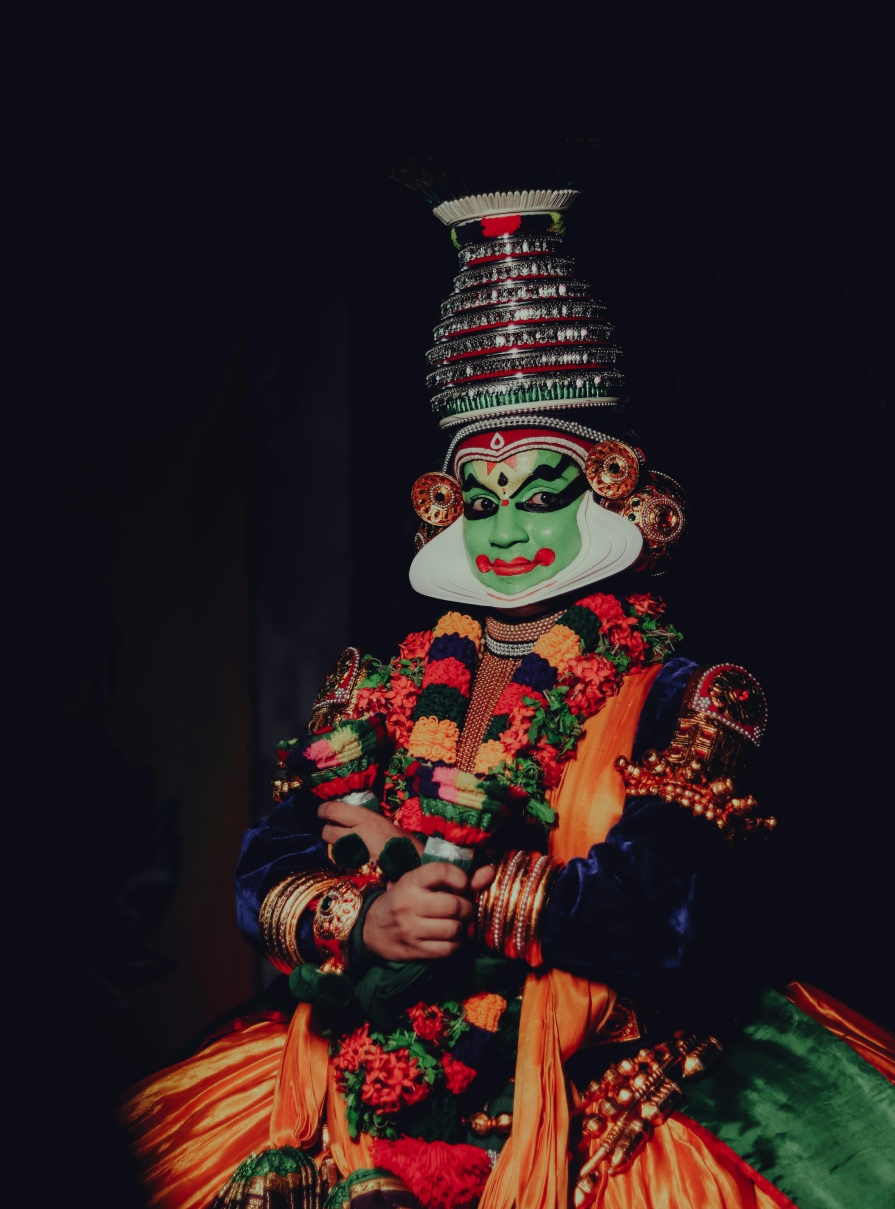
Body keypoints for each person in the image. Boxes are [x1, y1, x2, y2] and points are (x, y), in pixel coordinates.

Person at [120, 173, 895, 1209]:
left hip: (603, 1093)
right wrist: (372, 920)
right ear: (444, 511)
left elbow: (654, 909)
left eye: (540, 495)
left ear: (616, 490)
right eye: (479, 503)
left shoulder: (692, 692)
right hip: (358, 1082)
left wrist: (448, 889)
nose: (508, 531)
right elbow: (270, 868)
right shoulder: (382, 684)